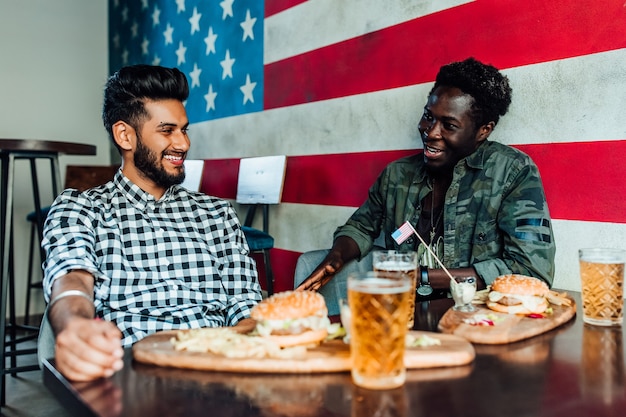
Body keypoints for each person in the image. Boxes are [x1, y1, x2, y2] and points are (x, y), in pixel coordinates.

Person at [42, 64, 262, 381]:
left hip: (217, 375)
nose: (183, 144)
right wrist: (74, 325)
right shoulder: (81, 207)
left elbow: (246, 306)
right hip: (128, 377)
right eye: (167, 130)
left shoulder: (217, 213)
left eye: (184, 130)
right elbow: (71, 283)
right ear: (125, 135)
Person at [296, 57, 555, 311]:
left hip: (476, 320)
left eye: (449, 125)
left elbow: (531, 272)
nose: (431, 132)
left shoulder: (512, 172)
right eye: (428, 117)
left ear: (483, 130)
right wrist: (336, 258)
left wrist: (420, 276)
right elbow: (360, 227)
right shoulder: (397, 176)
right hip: (404, 317)